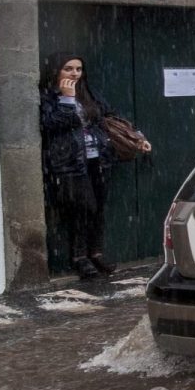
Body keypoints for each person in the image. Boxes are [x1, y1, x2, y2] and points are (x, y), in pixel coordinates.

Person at [40, 53, 148, 279]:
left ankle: (96, 253)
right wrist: (67, 99)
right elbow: (52, 124)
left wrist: (136, 138)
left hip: (98, 158)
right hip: (70, 161)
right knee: (83, 208)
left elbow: (109, 117)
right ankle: (79, 258)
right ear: (56, 71)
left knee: (98, 207)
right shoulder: (49, 98)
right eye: (68, 69)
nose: (74, 74)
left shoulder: (89, 93)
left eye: (78, 69)